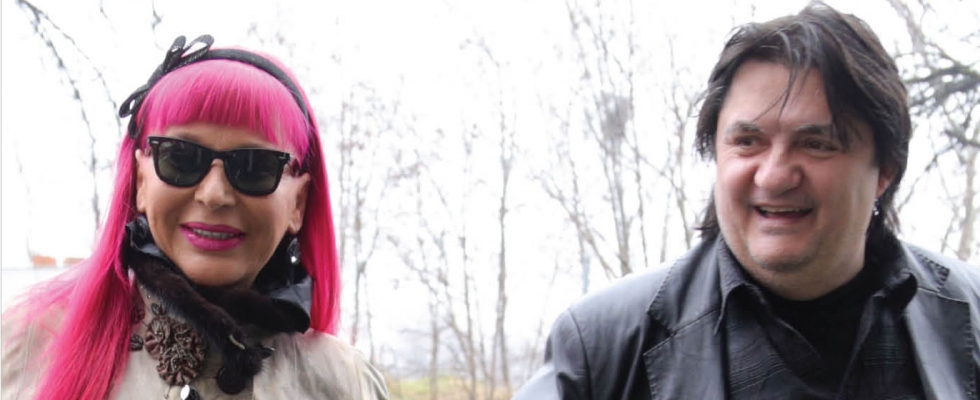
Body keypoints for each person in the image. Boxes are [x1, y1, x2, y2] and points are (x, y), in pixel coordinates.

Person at [514, 3, 980, 399]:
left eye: (816, 144)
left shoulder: (971, 323)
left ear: (885, 171)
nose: (774, 175)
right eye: (748, 142)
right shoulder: (601, 351)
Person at [1, 35, 389, 400]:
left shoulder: (343, 382)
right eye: (181, 158)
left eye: (254, 167)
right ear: (140, 182)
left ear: (298, 203)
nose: (214, 195)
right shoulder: (25, 345)